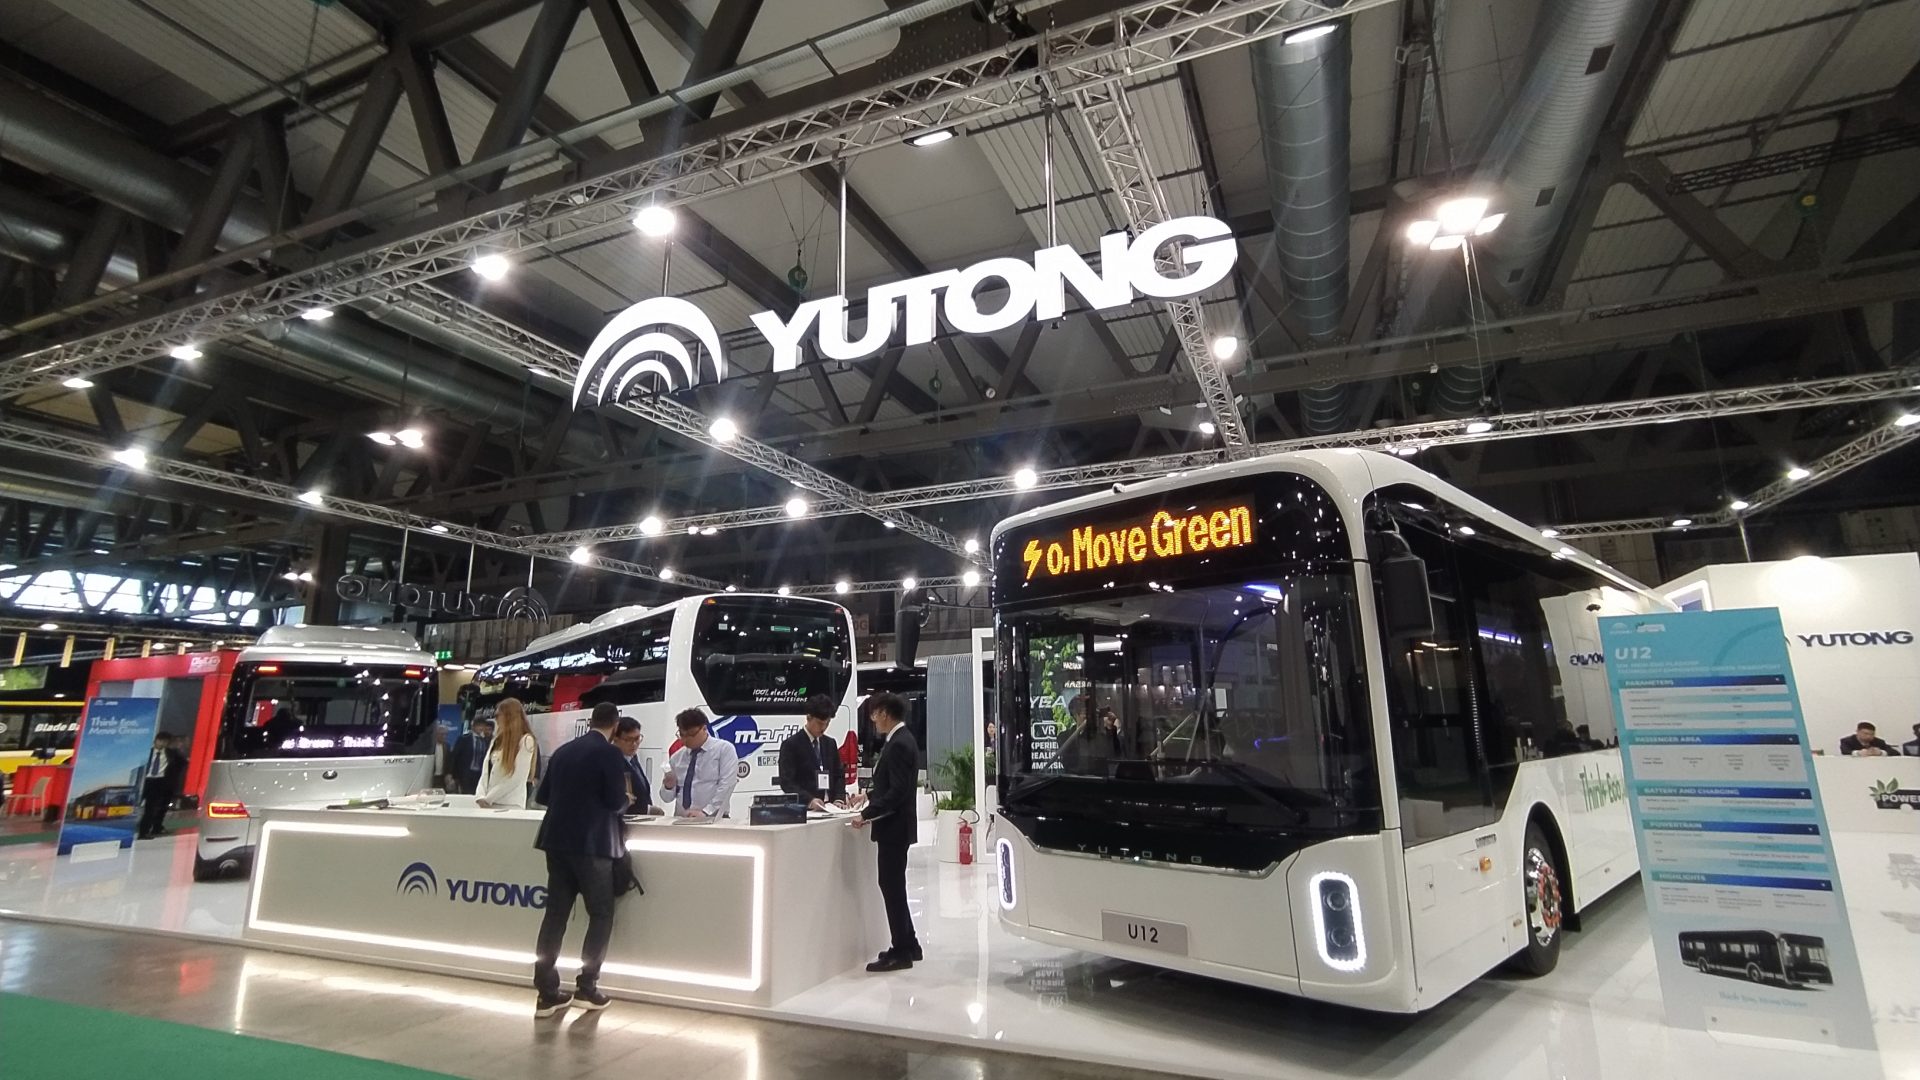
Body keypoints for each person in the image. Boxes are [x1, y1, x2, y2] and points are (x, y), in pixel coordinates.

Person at [530, 704, 628, 1017]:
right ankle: (587, 986)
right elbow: (616, 801)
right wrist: (626, 801)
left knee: (555, 915)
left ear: (591, 721)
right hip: (593, 844)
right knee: (600, 913)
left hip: (556, 841)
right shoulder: (610, 754)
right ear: (615, 725)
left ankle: (547, 992)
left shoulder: (563, 751)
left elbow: (543, 796)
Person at [852, 691, 920, 972]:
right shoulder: (899, 740)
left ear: (884, 713)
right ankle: (910, 944)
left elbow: (898, 792)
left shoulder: (900, 743)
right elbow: (890, 784)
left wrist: (867, 814)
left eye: (874, 713)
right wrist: (867, 796)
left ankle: (900, 951)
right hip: (895, 827)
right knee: (894, 886)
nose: (872, 719)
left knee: (891, 887)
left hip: (894, 828)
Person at [659, 709, 740, 819]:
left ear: (704, 729)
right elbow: (666, 798)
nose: (686, 739)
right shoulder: (677, 757)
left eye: (691, 734)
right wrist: (668, 787)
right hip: (682, 819)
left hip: (713, 818)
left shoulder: (724, 750)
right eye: (682, 735)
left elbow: (726, 785)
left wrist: (706, 812)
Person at [777, 693, 848, 809]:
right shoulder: (791, 745)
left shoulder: (830, 743)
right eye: (820, 723)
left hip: (831, 807)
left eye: (827, 723)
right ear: (809, 718)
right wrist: (809, 800)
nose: (823, 728)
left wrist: (839, 798)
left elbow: (839, 774)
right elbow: (787, 782)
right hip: (806, 808)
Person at [475, 699, 537, 809]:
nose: (496, 719)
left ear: (509, 717)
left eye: (498, 715)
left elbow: (516, 777)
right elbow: (485, 772)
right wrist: (480, 795)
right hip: (488, 804)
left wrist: (489, 798)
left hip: (510, 805)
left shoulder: (526, 740)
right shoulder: (496, 741)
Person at [136, 732, 188, 840]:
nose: (162, 743)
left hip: (160, 782)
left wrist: (173, 774)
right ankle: (138, 829)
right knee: (140, 807)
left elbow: (183, 763)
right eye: (161, 741)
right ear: (155, 740)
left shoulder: (171, 753)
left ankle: (145, 831)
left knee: (152, 808)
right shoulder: (146, 752)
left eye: (165, 741)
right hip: (146, 781)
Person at [611, 713, 663, 816]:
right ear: (616, 739)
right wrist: (647, 810)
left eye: (637, 739)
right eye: (628, 740)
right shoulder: (612, 762)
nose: (634, 744)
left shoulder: (633, 758)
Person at [450, 718, 494, 794]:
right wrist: (453, 774)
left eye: (483, 726)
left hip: (479, 774)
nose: (481, 728)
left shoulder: (484, 741)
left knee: (476, 794)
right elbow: (454, 756)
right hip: (465, 774)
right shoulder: (464, 739)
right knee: (466, 794)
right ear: (473, 727)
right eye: (479, 726)